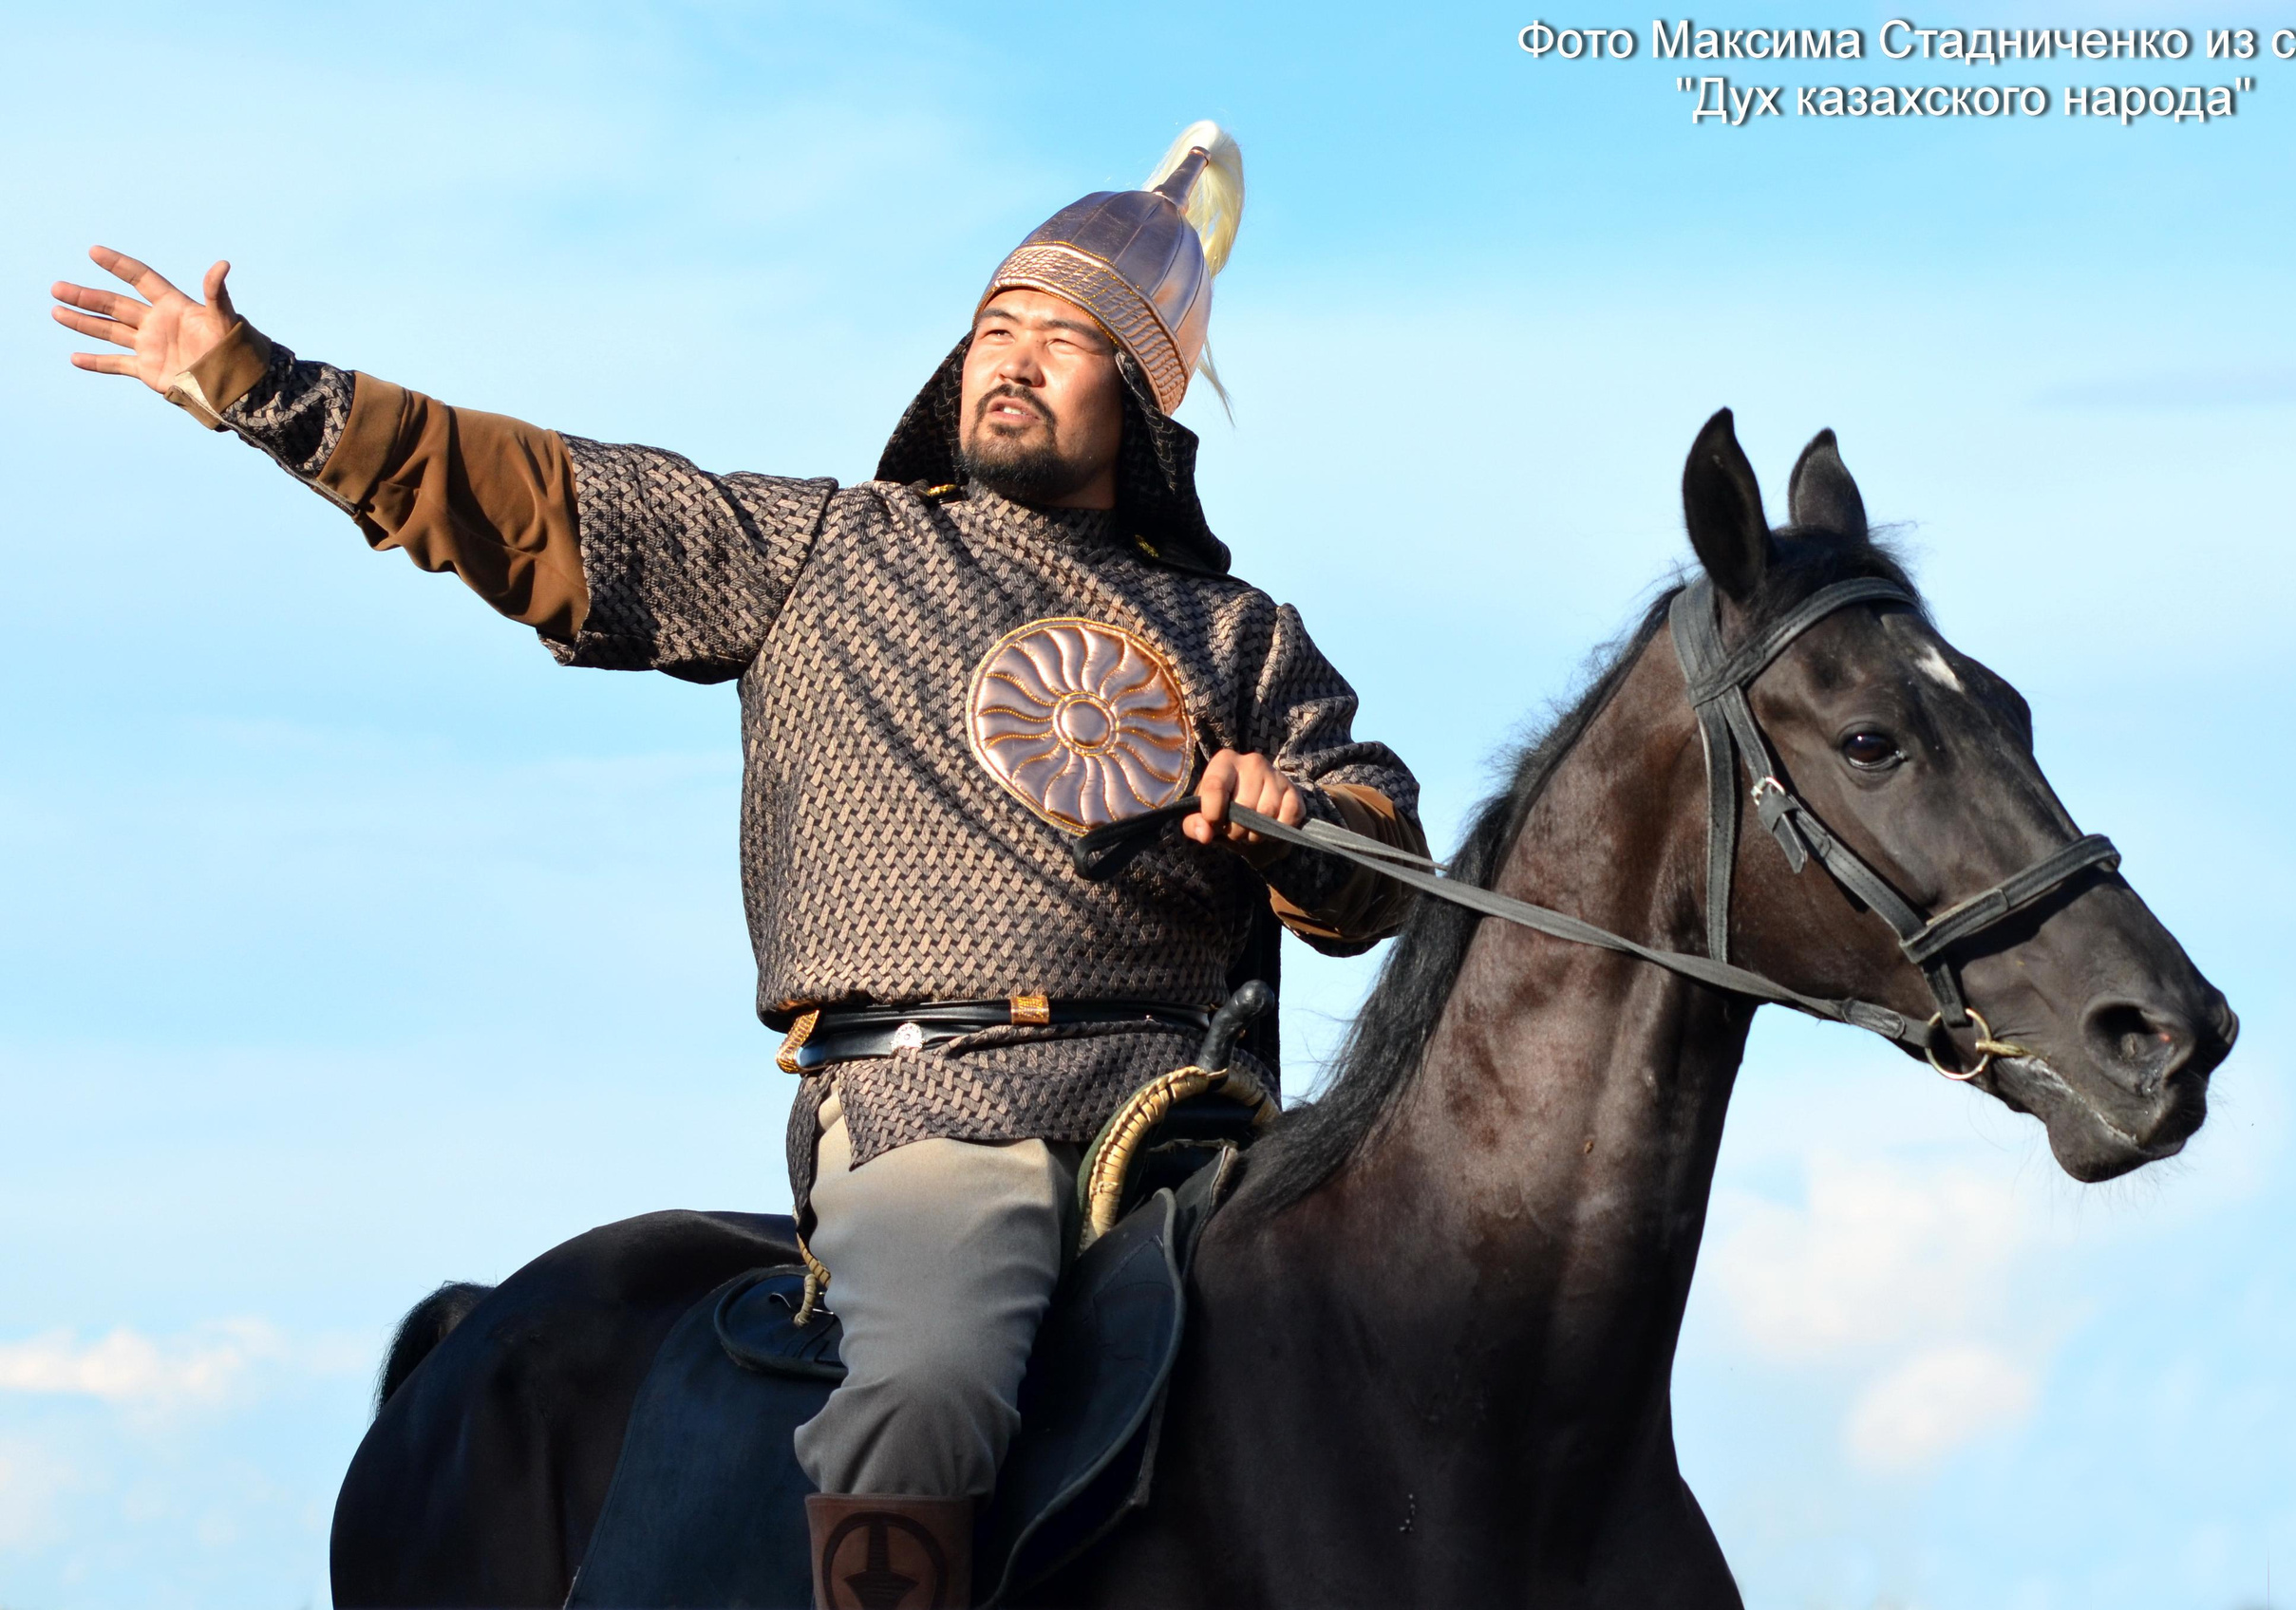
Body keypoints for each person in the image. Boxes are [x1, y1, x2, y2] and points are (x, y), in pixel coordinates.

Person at [51, 120, 1424, 1610]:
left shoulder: (1240, 635)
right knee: (931, 1388)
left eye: (1067, 339)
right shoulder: (828, 550)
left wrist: (1297, 821)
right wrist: (264, 386)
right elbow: (543, 503)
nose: (1013, 359)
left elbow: (1378, 846)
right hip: (941, 1119)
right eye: (994, 327)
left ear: (1145, 401)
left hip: (1199, 1138)